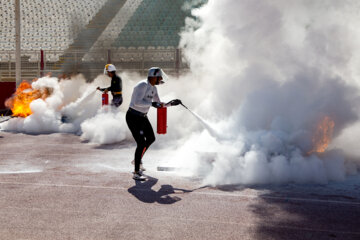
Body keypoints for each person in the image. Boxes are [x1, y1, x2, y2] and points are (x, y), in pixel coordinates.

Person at [126, 67, 166, 181]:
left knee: (151, 138)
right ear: (154, 76)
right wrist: (152, 104)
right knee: (141, 142)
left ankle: (137, 160)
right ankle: (136, 172)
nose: (161, 79)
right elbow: (136, 102)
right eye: (160, 76)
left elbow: (158, 103)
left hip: (143, 117)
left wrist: (170, 104)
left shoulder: (153, 88)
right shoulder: (142, 85)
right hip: (133, 117)